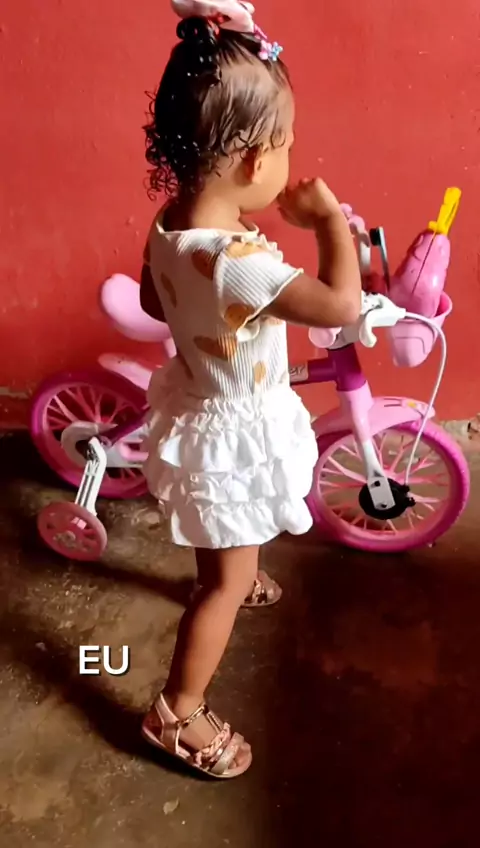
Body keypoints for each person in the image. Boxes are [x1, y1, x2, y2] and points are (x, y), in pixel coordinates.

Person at [140, 0, 362, 778]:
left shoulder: (172, 224)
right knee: (224, 588)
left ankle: (228, 565)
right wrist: (329, 223)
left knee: (227, 543)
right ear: (250, 160)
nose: (292, 155)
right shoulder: (241, 263)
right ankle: (177, 712)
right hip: (233, 426)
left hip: (201, 404)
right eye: (286, 141)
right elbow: (340, 307)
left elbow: (151, 300)